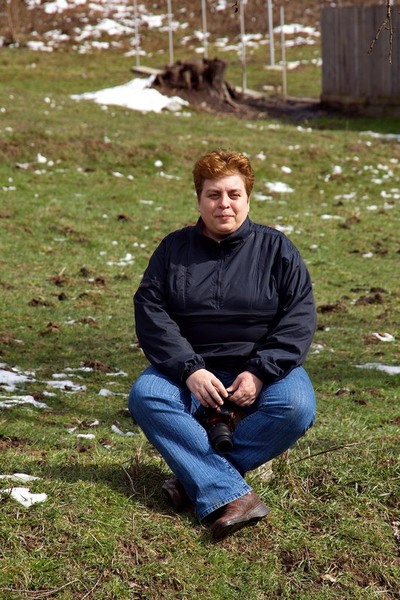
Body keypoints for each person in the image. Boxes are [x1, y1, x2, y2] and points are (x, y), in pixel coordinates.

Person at [128, 150, 316, 541]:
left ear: (248, 198)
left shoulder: (278, 250)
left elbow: (298, 318)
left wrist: (260, 371)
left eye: (234, 194)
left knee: (296, 407)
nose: (224, 204)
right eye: (213, 195)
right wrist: (190, 369)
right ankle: (230, 491)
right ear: (199, 200)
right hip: (190, 369)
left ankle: (194, 479)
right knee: (147, 396)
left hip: (263, 368)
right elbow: (151, 312)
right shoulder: (173, 250)